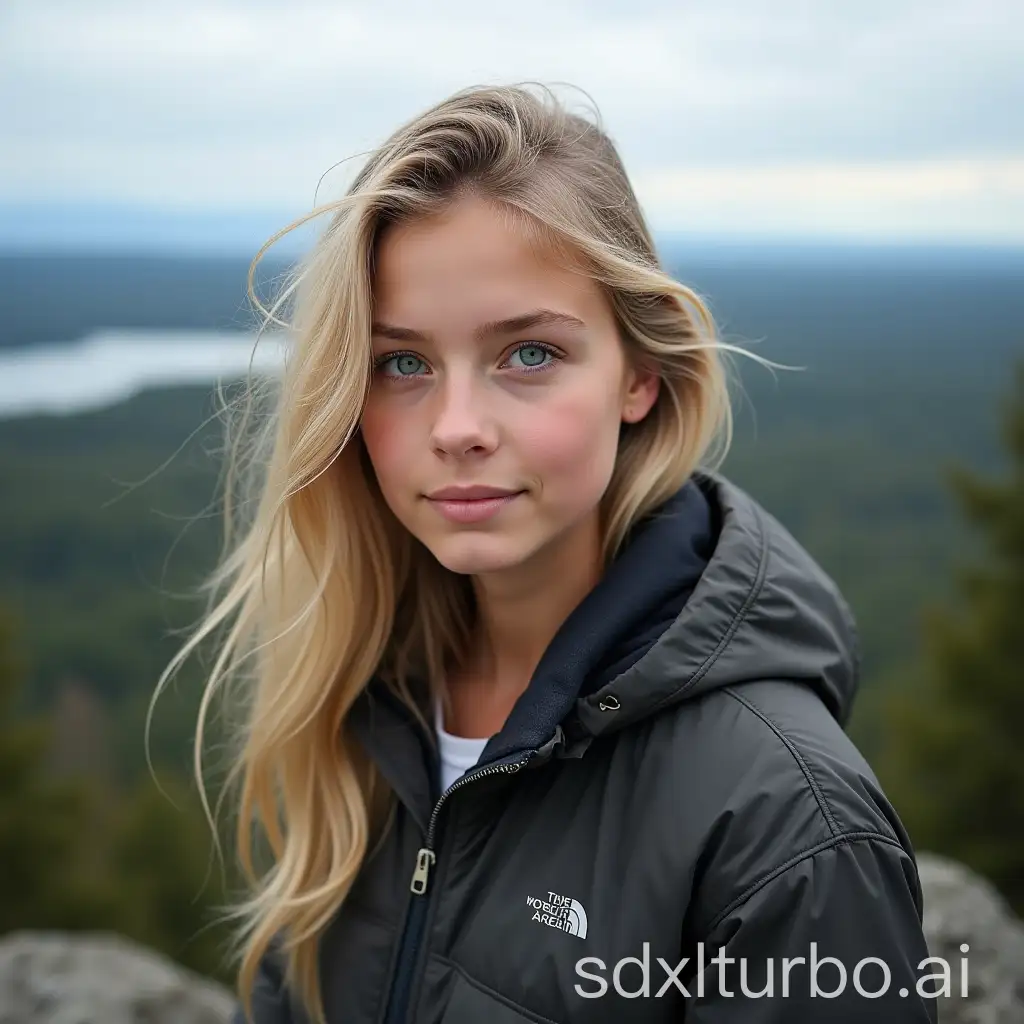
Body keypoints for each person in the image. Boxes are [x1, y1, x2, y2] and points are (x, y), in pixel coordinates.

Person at [161, 83, 939, 1022]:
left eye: (528, 354)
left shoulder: (783, 820)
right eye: (400, 363)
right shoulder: (370, 701)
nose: (456, 428)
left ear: (641, 375)